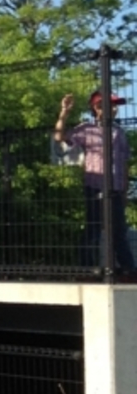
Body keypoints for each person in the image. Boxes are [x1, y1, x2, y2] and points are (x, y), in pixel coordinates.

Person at [54, 89, 134, 273]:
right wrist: (64, 113)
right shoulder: (87, 129)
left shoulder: (120, 132)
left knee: (119, 230)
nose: (114, 109)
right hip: (95, 185)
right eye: (110, 105)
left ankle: (128, 269)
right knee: (94, 228)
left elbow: (125, 163)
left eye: (115, 106)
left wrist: (125, 190)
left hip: (116, 188)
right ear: (97, 108)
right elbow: (59, 137)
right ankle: (87, 267)